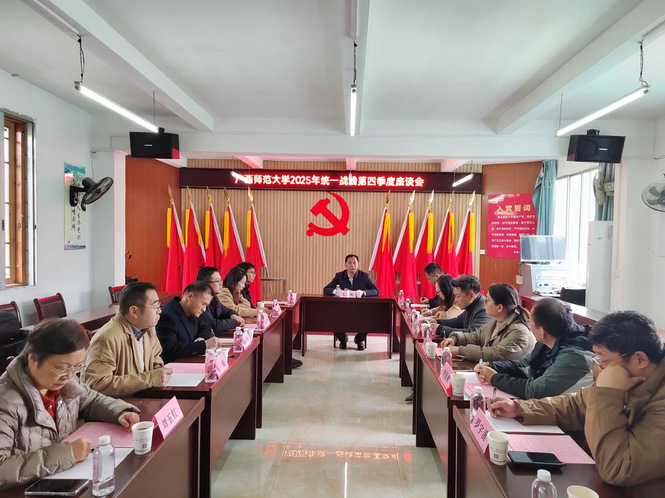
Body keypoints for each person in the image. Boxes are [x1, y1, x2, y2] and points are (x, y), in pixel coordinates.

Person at [488, 311, 665, 497]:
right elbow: (576, 404)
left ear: (639, 359)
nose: (599, 366)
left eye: (604, 360)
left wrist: (607, 394)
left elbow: (618, 467)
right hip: (598, 481)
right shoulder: (627, 378)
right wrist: (520, 408)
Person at [0, 319, 140, 489]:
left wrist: (119, 412)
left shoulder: (65, 381)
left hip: (65, 481)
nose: (69, 375)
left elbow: (90, 400)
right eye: (61, 368)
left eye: (77, 367)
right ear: (33, 359)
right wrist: (67, 454)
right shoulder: (6, 402)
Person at [475, 297, 593, 399]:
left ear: (542, 331)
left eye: (529, 321)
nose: (528, 325)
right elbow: (524, 365)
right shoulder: (551, 338)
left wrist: (494, 378)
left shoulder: (574, 356)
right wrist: (491, 366)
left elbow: (535, 391)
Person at [81, 282, 173, 397]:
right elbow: (96, 385)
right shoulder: (107, 338)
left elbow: (156, 359)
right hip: (119, 404)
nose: (159, 311)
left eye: (159, 305)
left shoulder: (148, 328)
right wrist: (149, 379)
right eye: (155, 306)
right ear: (134, 311)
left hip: (143, 397)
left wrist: (160, 373)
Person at [441, 283, 535, 362]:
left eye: (487, 300)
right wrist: (455, 339)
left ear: (499, 308)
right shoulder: (496, 322)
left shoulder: (519, 332)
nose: (484, 303)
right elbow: (476, 337)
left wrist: (460, 350)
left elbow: (494, 354)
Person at [323, 254, 379, 350]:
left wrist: (364, 292)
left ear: (358, 264)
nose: (352, 265)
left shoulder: (364, 276)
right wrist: (336, 291)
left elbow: (376, 291)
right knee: (331, 317)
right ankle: (342, 339)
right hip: (342, 309)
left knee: (370, 318)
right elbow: (326, 289)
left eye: (354, 263)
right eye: (349, 263)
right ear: (345, 265)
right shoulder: (339, 276)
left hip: (360, 309)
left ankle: (359, 339)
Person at [156, 280, 221, 363]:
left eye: (206, 305)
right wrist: (204, 345)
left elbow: (205, 327)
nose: (204, 309)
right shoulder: (167, 316)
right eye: (203, 304)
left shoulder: (191, 311)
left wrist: (201, 338)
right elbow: (169, 350)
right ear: (190, 297)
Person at [196, 266, 244, 332]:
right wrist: (235, 322)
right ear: (206, 284)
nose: (221, 284)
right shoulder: (199, 300)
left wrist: (233, 315)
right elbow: (214, 325)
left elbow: (227, 311)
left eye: (221, 280)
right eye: (218, 281)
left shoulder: (214, 299)